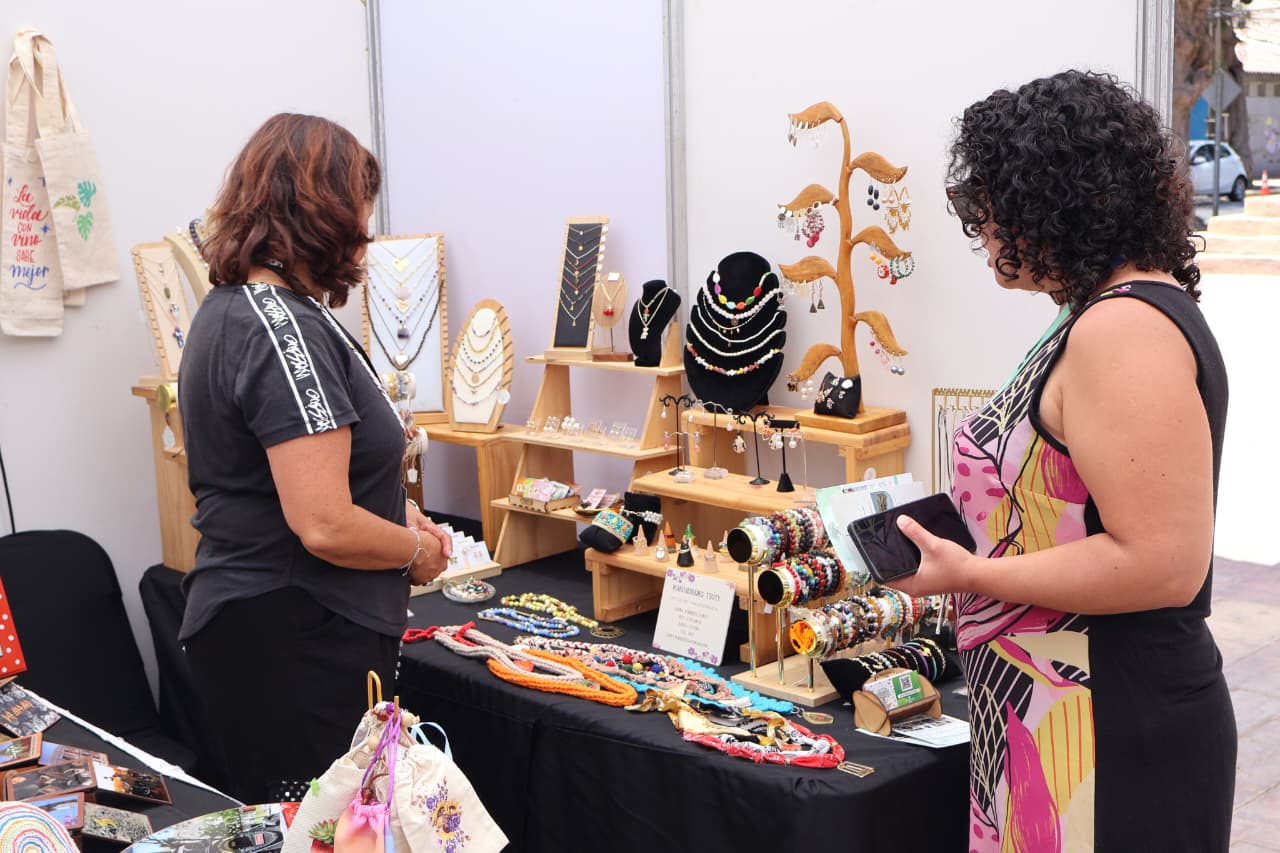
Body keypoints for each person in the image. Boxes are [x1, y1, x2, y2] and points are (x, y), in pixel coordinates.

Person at [892, 71, 1235, 851]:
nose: (983, 232)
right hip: (1068, 714)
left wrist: (972, 574)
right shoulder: (1099, 314)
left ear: (1051, 201)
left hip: (1110, 727)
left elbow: (1162, 563)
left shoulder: (1123, 329)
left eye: (991, 207)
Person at [177, 114, 452, 803]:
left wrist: (396, 509)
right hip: (297, 636)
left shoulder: (239, 310)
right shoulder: (282, 330)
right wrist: (414, 550)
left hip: (276, 629)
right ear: (321, 207)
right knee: (319, 834)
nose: (365, 228)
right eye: (359, 206)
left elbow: (287, 477)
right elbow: (324, 522)